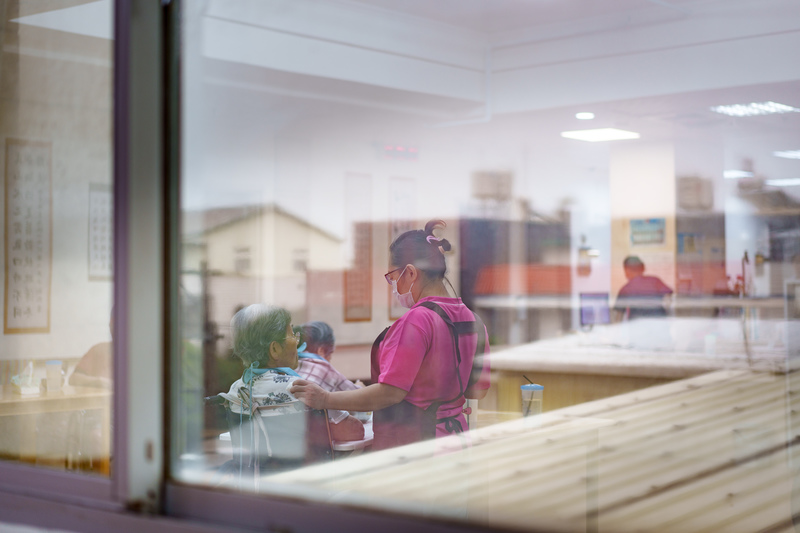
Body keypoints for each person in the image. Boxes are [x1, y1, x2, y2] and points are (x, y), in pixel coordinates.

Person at [291, 220, 491, 450]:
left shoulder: (417, 321)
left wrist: (325, 399)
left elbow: (389, 393)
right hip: (458, 442)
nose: (392, 284)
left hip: (418, 448)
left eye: (392, 276)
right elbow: (479, 390)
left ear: (410, 272)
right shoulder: (474, 321)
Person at [220, 305, 363, 447]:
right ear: (275, 349)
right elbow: (354, 431)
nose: (297, 341)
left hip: (259, 470)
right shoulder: (301, 389)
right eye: (292, 335)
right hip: (304, 469)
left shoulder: (236, 390)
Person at [296, 321, 361, 394]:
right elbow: (358, 394)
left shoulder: (291, 365)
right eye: (330, 353)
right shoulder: (324, 368)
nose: (330, 359)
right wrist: (360, 385)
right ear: (321, 351)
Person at [613, 256, 673, 321]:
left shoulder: (625, 289)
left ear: (627, 270)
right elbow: (668, 299)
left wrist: (616, 330)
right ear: (643, 268)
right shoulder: (655, 281)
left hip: (638, 326)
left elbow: (618, 315)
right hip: (659, 323)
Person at [70, 314, 113, 389]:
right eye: (112, 324)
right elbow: (73, 378)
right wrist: (98, 381)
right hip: (102, 400)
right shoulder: (98, 349)